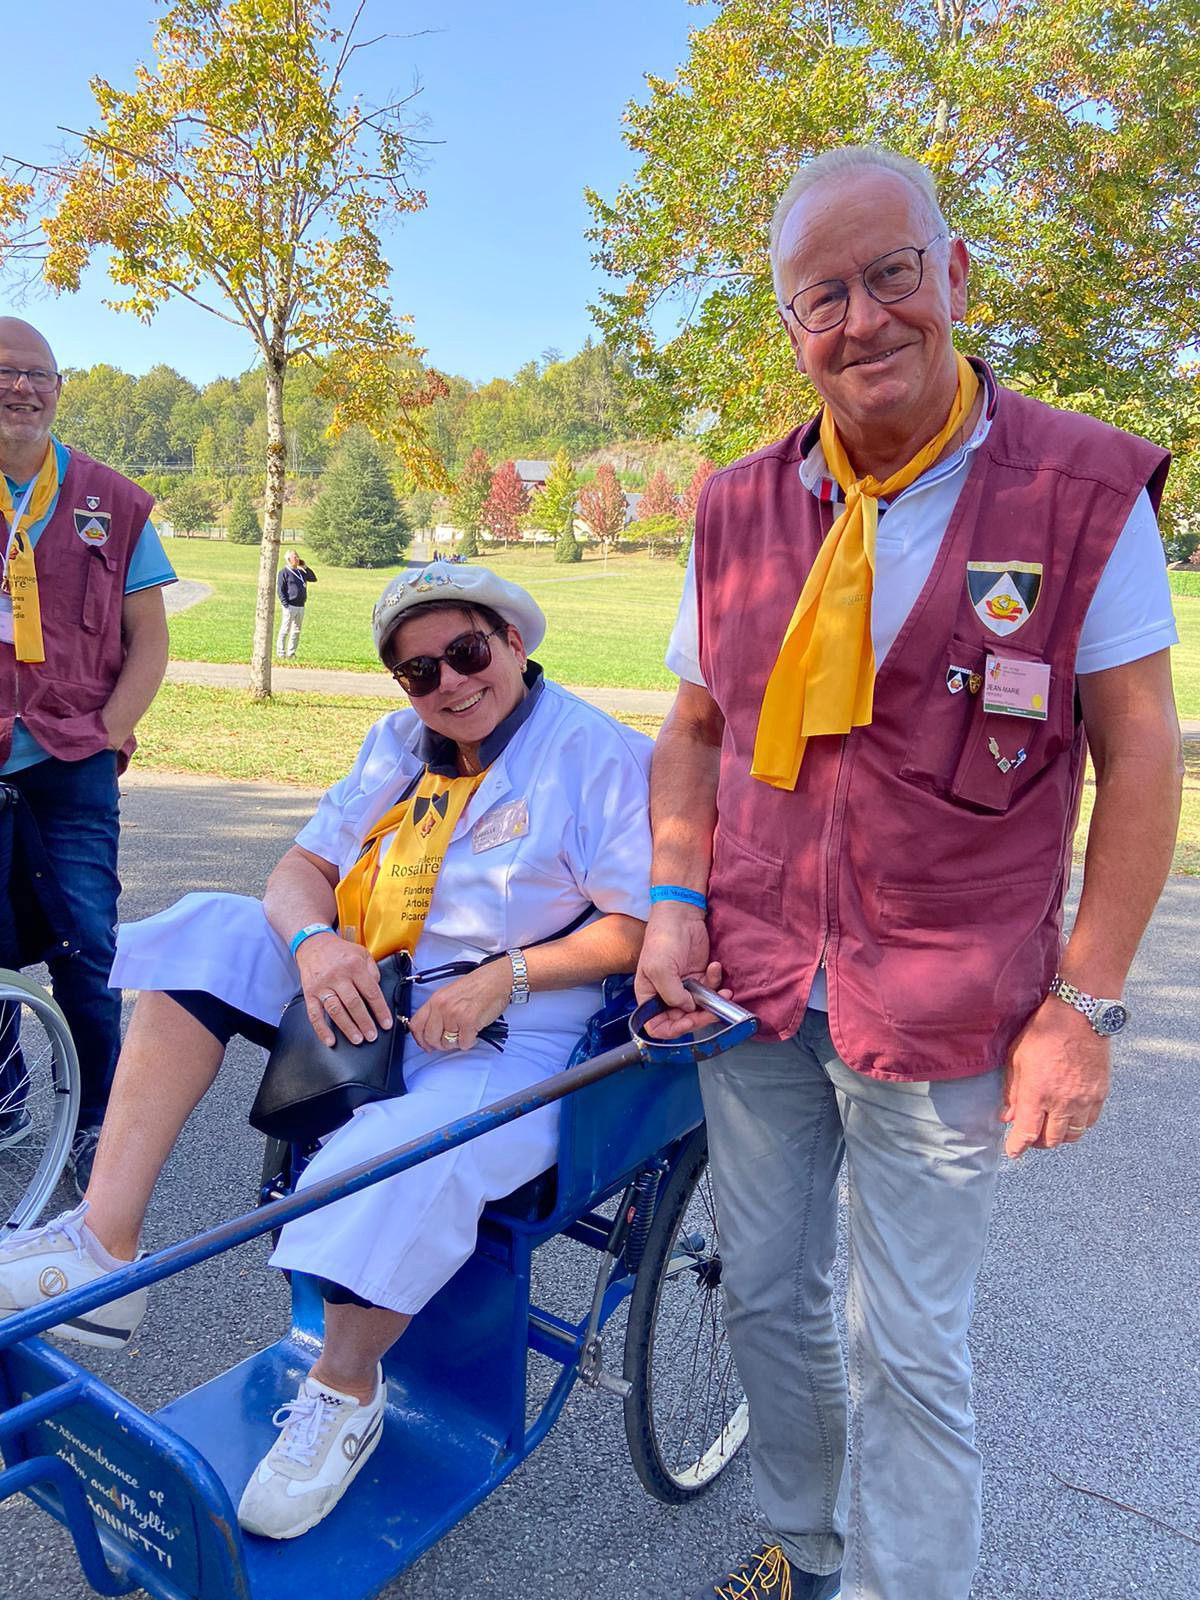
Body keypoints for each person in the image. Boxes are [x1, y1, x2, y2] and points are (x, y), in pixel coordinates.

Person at [636, 146, 1182, 1600]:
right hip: (757, 983)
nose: (864, 319)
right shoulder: (738, 507)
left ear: (956, 275)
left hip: (946, 1002)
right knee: (764, 1299)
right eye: (823, 296)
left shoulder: (1083, 491)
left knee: (911, 1350)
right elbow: (693, 728)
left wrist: (1085, 1007)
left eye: (892, 275)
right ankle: (811, 1550)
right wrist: (675, 898)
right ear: (791, 326)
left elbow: (1140, 753)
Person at [0, 559, 652, 1542]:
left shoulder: (594, 754)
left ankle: (346, 1389)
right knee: (209, 931)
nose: (449, 683)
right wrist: (314, 943)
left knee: (395, 1155)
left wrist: (505, 976)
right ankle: (103, 1244)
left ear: (514, 642)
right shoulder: (397, 741)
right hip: (373, 979)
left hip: (513, 1024)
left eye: (466, 652)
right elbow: (301, 866)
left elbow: (636, 926)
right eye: (419, 671)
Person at [0, 317, 175, 1191]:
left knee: (88, 944)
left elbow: (151, 639)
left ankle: (100, 1114)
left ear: (60, 389)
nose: (23, 389)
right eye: (6, 373)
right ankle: (7, 1096)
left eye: (39, 374)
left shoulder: (112, 499)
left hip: (71, 759)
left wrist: (107, 734)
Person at [276, 547, 317, 659]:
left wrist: (305, 567)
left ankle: (291, 653)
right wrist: (285, 604)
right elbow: (280, 590)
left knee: (296, 631)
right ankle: (281, 652)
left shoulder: (300, 572)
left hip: (300, 605)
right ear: (289, 559)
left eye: (298, 556)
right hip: (290, 605)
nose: (297, 559)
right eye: (295, 557)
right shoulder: (284, 572)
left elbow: (313, 578)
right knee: (285, 629)